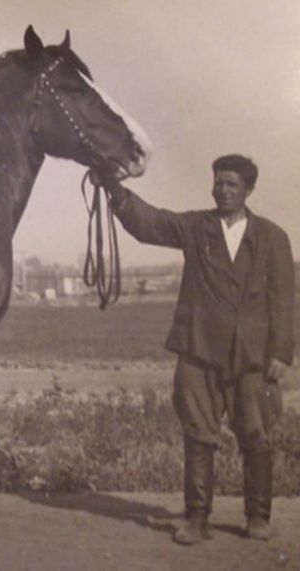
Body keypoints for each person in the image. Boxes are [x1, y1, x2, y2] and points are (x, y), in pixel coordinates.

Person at [95, 154, 294, 544]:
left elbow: (284, 300)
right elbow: (151, 222)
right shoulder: (195, 227)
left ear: (248, 189)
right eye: (219, 182)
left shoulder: (272, 237)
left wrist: (281, 354)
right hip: (199, 350)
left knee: (256, 436)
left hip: (251, 357)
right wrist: (114, 190)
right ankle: (197, 519)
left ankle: (258, 517)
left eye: (232, 184)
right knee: (199, 436)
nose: (223, 190)